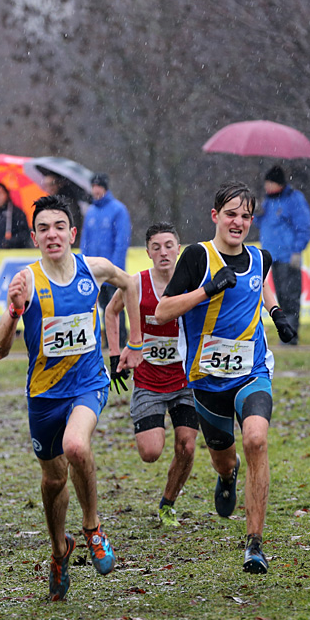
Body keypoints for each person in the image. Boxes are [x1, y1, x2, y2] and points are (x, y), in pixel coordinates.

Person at [0, 195, 143, 602]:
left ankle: (93, 528)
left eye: (60, 226)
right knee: (53, 479)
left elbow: (130, 284)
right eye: (44, 228)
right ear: (35, 237)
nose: (52, 234)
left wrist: (132, 344)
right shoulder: (26, 281)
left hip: (87, 385)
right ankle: (60, 550)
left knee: (77, 445)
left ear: (73, 233)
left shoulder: (92, 269)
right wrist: (14, 312)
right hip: (43, 395)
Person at [155, 181, 296, 575]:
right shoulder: (197, 257)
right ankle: (228, 475)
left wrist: (277, 312)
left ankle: (254, 545)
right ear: (215, 216)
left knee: (256, 439)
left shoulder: (260, 257)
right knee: (223, 458)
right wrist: (206, 290)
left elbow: (261, 281)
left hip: (252, 371)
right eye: (231, 214)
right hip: (206, 381)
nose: (238, 222)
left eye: (245, 216)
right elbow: (163, 312)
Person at [103, 222, 198, 527]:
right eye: (156, 247)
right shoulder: (136, 284)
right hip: (148, 380)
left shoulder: (192, 283)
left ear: (179, 249)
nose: (163, 252)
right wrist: (116, 352)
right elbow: (110, 310)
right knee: (150, 452)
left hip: (185, 379)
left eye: (169, 245)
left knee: (186, 445)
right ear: (147, 252)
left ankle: (168, 503)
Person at [253, 165, 310, 345]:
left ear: (278, 183)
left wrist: (297, 250)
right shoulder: (267, 202)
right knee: (281, 297)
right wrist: (256, 213)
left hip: (288, 257)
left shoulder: (294, 199)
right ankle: (287, 335)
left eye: (269, 183)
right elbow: (260, 225)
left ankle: (291, 336)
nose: (266, 187)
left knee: (291, 297)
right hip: (273, 257)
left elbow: (304, 226)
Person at [81, 173, 132, 348]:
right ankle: (108, 339)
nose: (96, 190)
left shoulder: (118, 210)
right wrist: (85, 265)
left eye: (98, 186)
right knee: (102, 306)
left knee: (116, 305)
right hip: (94, 270)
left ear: (104, 188)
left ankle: (120, 338)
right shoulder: (91, 212)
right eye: (93, 186)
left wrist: (113, 269)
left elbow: (121, 242)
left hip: (111, 270)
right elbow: (85, 241)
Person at [0, 183, 30, 249]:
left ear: (6, 194)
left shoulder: (17, 213)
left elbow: (24, 235)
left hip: (12, 254)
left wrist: (11, 241)